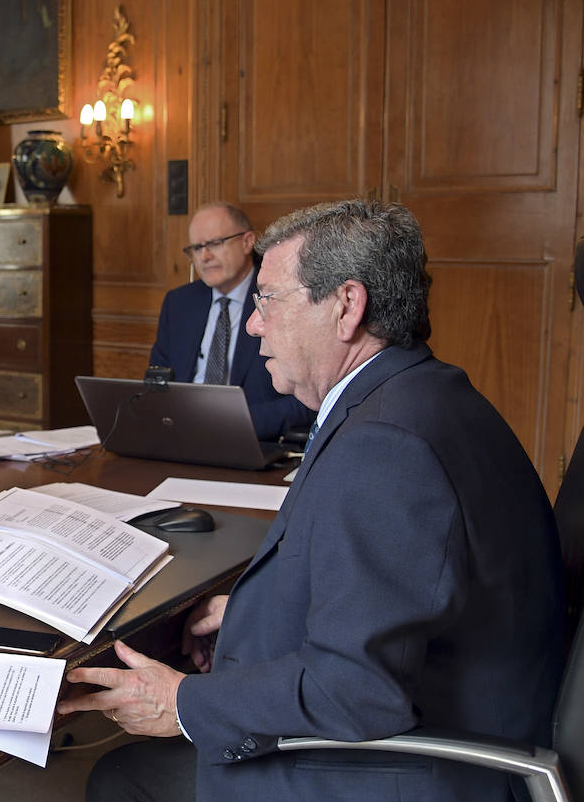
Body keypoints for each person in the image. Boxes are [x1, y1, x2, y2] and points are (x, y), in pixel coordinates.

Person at [59, 200, 565, 802]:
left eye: (267, 300)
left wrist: (183, 703)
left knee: (122, 780)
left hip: (419, 774)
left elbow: (359, 690)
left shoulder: (385, 448)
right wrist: (249, 613)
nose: (252, 326)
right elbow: (396, 588)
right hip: (450, 710)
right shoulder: (418, 394)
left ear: (346, 306)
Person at [149, 203, 313, 441]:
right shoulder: (178, 303)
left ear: (247, 242)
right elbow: (156, 386)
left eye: (215, 243)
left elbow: (309, 399)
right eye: (197, 247)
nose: (204, 256)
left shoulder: (283, 298)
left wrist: (233, 424)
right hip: (179, 439)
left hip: (253, 440)